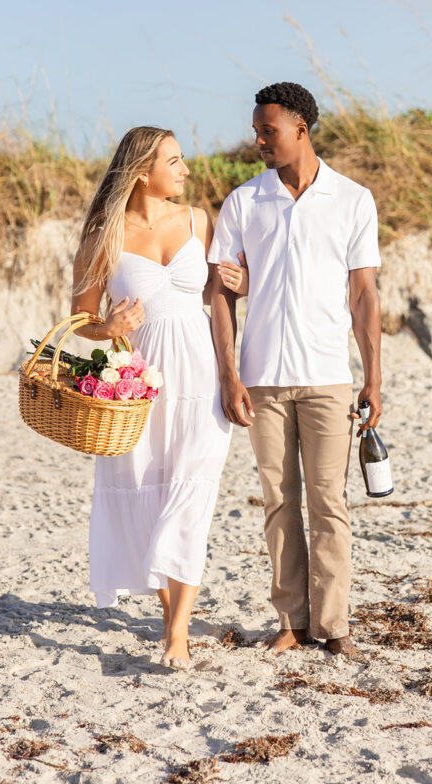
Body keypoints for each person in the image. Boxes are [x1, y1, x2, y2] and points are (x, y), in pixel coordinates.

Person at [209, 82, 382, 658]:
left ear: (301, 129)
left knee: (329, 502)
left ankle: (334, 626)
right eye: (257, 130)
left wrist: (374, 377)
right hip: (262, 378)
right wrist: (229, 374)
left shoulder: (353, 200)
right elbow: (221, 296)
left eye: (268, 131)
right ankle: (292, 620)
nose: (258, 139)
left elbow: (363, 296)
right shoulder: (243, 202)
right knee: (279, 502)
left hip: (329, 375)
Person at [71, 126, 233, 669]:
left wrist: (238, 280)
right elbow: (80, 322)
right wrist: (108, 324)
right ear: (144, 171)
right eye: (175, 160)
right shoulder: (103, 237)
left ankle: (178, 633)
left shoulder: (198, 222)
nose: (186, 169)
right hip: (138, 381)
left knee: (191, 494)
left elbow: (218, 296)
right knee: (148, 497)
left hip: (199, 373)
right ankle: (171, 618)